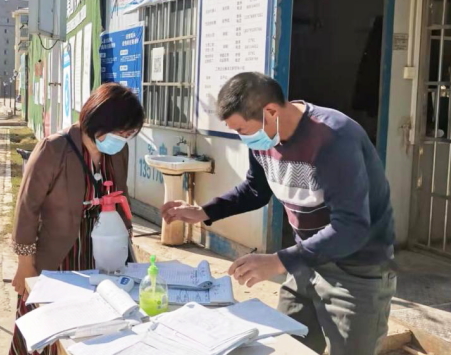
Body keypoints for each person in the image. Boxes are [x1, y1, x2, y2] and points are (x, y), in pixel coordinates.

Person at [162, 72, 396, 355]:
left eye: (242, 130)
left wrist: (278, 261)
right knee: (287, 345)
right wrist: (203, 212)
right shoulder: (263, 139)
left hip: (356, 270)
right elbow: (255, 190)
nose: (242, 138)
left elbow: (351, 228)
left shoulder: (333, 138)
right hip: (306, 260)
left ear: (270, 112)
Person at [9, 83, 144, 355]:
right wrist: (25, 264)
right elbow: (27, 207)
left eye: (130, 134)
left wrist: (126, 246)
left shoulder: (118, 152)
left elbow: (121, 197)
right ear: (98, 122)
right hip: (59, 257)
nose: (124, 139)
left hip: (103, 253)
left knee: (98, 331)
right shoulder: (54, 148)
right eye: (121, 132)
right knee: (49, 330)